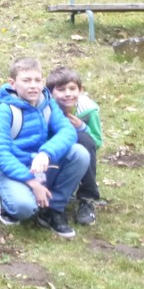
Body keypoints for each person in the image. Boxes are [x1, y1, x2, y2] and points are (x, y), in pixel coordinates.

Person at [0, 58, 89, 238]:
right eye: (26, 80)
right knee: (24, 208)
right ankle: (8, 204)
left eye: (37, 80)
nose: (33, 86)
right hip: (10, 170)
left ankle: (53, 209)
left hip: (40, 165)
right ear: (12, 83)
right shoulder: (5, 110)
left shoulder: (48, 103)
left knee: (80, 154)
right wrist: (33, 184)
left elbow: (67, 132)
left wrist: (45, 153)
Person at [47, 66, 103, 226]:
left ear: (81, 90)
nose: (68, 94)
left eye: (72, 89)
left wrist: (82, 127)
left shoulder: (88, 111)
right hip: (55, 154)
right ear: (51, 93)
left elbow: (96, 142)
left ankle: (87, 198)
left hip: (81, 150)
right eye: (61, 89)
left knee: (84, 139)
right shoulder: (46, 109)